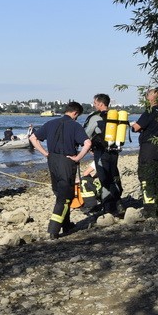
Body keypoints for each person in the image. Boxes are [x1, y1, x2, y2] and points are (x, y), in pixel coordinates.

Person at [29, 101, 92, 239]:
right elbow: (87, 143)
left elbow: (33, 138)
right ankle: (53, 230)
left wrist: (45, 153)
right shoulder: (75, 125)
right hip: (67, 161)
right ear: (75, 113)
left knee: (59, 192)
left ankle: (67, 224)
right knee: (65, 196)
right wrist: (78, 157)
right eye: (77, 116)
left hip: (52, 160)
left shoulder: (50, 123)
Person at [131, 88, 158, 217]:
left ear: (150, 98)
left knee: (146, 176)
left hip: (149, 148)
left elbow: (136, 128)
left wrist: (132, 125)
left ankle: (150, 209)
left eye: (147, 95)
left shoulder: (149, 112)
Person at [82, 93, 123, 216]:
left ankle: (110, 207)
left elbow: (86, 134)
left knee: (104, 179)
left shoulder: (95, 117)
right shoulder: (115, 116)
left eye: (94, 103)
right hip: (115, 151)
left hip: (101, 152)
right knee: (112, 175)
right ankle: (116, 204)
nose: (94, 105)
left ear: (100, 103)